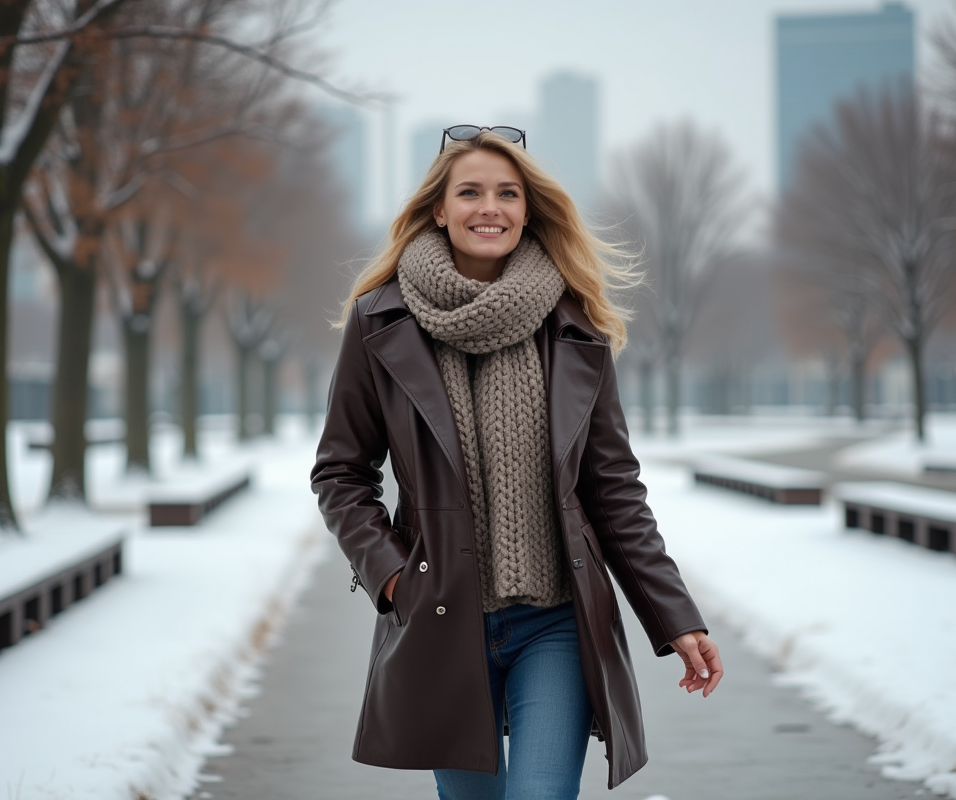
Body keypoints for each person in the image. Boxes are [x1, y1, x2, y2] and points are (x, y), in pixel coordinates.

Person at [310, 125, 723, 799]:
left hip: (555, 623)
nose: (489, 208)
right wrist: (392, 579)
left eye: (507, 193)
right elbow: (340, 472)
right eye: (469, 192)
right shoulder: (378, 321)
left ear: (529, 209)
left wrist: (675, 615)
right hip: (441, 621)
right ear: (438, 208)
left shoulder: (575, 324)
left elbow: (614, 488)